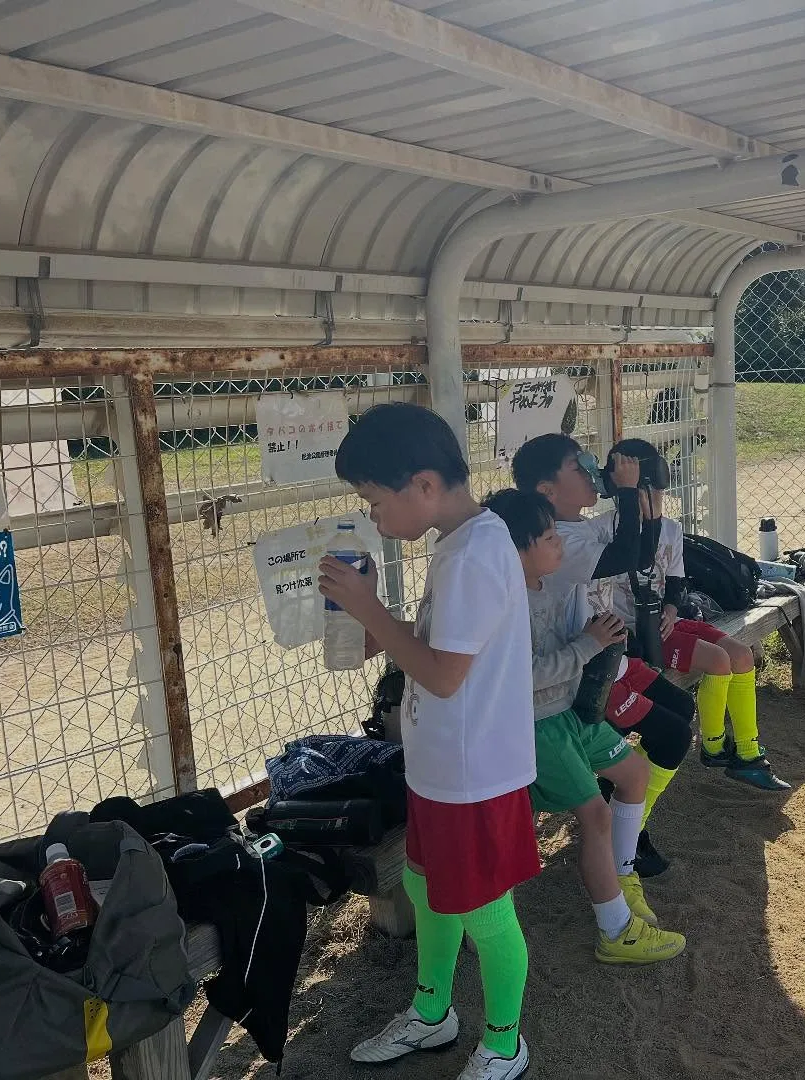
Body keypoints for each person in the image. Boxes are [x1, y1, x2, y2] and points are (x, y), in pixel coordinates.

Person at [321, 402, 536, 1080]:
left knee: (481, 908)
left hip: (474, 774)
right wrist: (373, 616)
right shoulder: (464, 542)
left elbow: (444, 676)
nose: (376, 518)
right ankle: (432, 1011)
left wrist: (368, 609)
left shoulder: (471, 555)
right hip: (443, 765)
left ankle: (504, 1043)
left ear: (423, 485)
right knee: (425, 882)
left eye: (375, 501)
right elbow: (439, 656)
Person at [480, 488, 686, 966]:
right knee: (593, 815)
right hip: (538, 724)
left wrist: (594, 638)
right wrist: (587, 647)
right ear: (516, 549)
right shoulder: (506, 603)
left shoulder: (545, 583)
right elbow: (520, 678)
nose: (559, 545)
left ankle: (622, 873)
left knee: (633, 773)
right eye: (549, 537)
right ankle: (614, 929)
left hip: (568, 714)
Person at [511, 434, 693, 878]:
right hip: (574, 674)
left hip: (600, 659)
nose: (592, 470)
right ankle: (629, 834)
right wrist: (628, 493)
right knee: (668, 735)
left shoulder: (573, 527)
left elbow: (642, 551)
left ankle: (627, 823)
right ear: (547, 492)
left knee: (681, 711)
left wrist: (642, 501)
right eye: (579, 467)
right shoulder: (556, 541)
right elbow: (625, 555)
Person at [608, 438, 788, 791]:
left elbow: (675, 586)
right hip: (636, 635)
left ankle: (749, 753)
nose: (655, 504)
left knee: (741, 655)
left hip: (665, 622)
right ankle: (714, 747)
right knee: (720, 661)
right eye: (647, 495)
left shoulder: (670, 530)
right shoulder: (610, 533)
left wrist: (672, 610)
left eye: (660, 494)